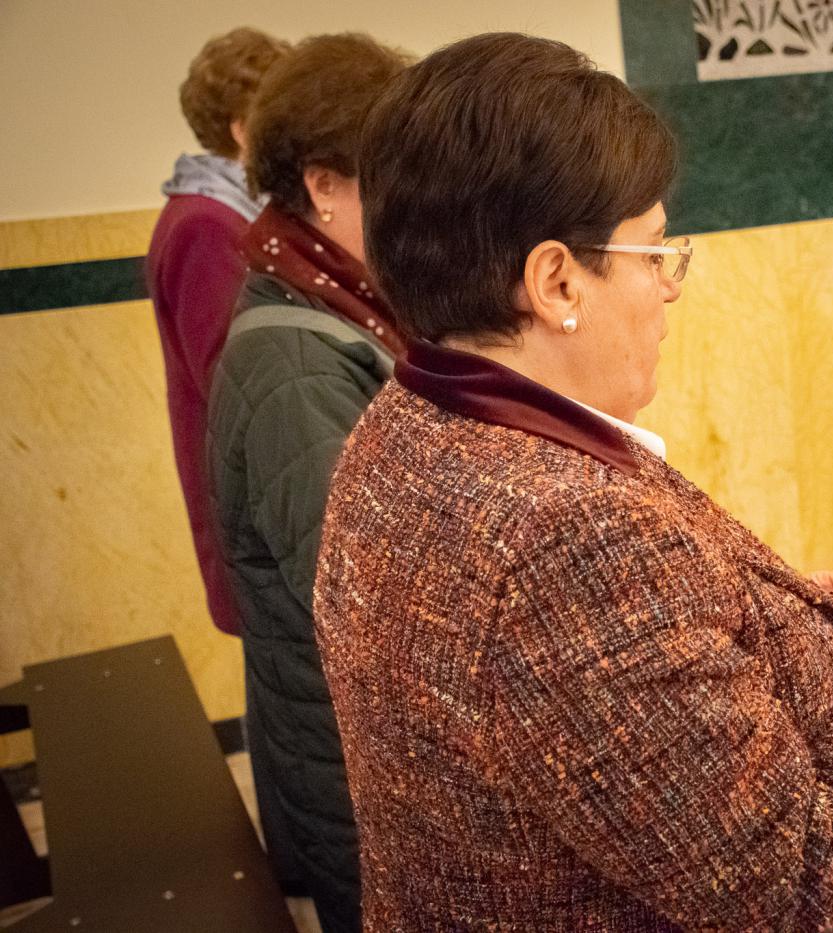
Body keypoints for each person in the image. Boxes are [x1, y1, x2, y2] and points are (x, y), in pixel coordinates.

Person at [314, 33, 833, 931]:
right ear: (557, 280)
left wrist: (770, 620)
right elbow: (799, 886)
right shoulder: (565, 539)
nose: (670, 287)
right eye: (652, 253)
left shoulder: (406, 425)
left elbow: (580, 706)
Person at [205, 33, 411, 933]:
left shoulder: (329, 304)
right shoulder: (297, 362)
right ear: (324, 186)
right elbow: (362, 599)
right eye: (396, 175)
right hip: (351, 775)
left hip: (355, 758)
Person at [146, 27, 289, 638]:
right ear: (242, 128)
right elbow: (235, 385)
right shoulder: (206, 224)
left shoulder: (223, 213)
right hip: (250, 516)